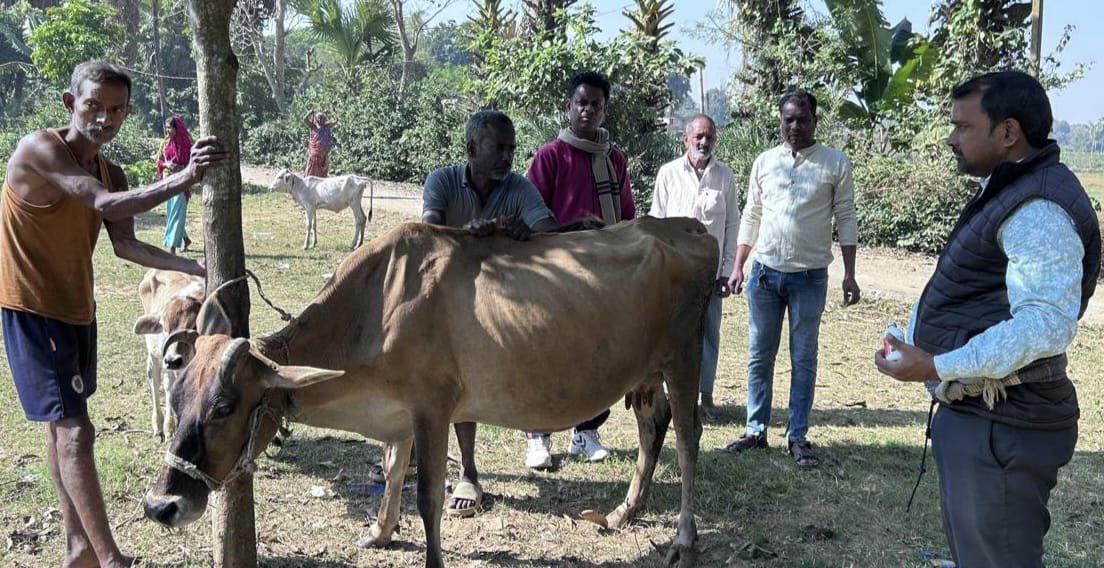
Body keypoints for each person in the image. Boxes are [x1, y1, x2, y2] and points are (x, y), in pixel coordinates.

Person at [0, 61, 227, 568]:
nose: (105, 118)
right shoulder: (40, 150)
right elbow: (101, 202)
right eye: (93, 106)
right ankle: (109, 559)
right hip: (34, 309)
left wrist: (192, 264)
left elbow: (125, 244)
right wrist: (186, 176)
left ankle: (78, 548)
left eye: (117, 109)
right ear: (69, 102)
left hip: (78, 310)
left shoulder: (112, 169)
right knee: (76, 431)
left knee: (62, 431)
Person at [875, 71, 1100, 566]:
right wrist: (910, 338)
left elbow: (1045, 323)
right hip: (984, 420)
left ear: (1007, 131)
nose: (951, 138)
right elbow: (970, 286)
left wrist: (935, 364)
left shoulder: (1038, 205)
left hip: (1005, 426)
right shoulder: (1008, 188)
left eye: (962, 126)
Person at [421, 110, 559, 516]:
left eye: (511, 149)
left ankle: (474, 468)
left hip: (499, 302)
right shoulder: (442, 181)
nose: (507, 157)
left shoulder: (518, 187)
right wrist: (473, 236)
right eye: (498, 148)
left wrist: (521, 232)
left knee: (469, 383)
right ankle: (426, 461)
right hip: (442, 302)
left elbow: (548, 230)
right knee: (431, 381)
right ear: (471, 149)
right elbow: (429, 237)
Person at [722, 91, 860, 468]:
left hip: (810, 278)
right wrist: (738, 265)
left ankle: (797, 436)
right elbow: (751, 214)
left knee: (803, 358)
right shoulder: (766, 162)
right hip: (765, 275)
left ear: (815, 120)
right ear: (779, 121)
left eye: (802, 119)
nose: (794, 126)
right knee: (758, 356)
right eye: (788, 119)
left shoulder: (834, 163)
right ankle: (755, 430)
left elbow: (846, 217)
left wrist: (849, 274)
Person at [524, 70, 635, 469]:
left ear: (605, 110)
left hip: (604, 275)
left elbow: (625, 217)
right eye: (581, 102)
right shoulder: (550, 156)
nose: (588, 110)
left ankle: (586, 432)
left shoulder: (614, 158)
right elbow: (530, 213)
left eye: (596, 104)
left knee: (597, 357)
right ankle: (538, 436)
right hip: (557, 275)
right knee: (549, 353)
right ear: (568, 106)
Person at [649, 114, 740, 420]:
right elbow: (656, 221)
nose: (704, 142)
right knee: (671, 335)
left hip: (709, 275)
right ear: (685, 139)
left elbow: (731, 225)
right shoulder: (668, 174)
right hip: (673, 273)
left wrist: (727, 270)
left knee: (708, 335)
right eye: (698, 136)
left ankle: (706, 397)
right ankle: (670, 397)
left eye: (709, 137)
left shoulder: (724, 176)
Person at [157, 115, 193, 254]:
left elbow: (191, 164)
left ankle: (171, 248)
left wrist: (180, 167)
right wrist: (167, 164)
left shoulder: (186, 145)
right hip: (169, 182)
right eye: (166, 129)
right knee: (172, 213)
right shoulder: (166, 144)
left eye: (170, 128)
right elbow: (159, 161)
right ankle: (186, 239)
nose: (167, 131)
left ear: (177, 128)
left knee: (177, 214)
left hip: (182, 184)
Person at [303, 109, 336, 177]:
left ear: (325, 119)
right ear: (316, 118)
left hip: (323, 155)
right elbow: (305, 119)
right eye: (319, 117)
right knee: (311, 171)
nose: (321, 119)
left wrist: (331, 113)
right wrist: (310, 112)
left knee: (322, 172)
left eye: (322, 118)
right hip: (314, 154)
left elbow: (336, 120)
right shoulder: (313, 126)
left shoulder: (327, 126)